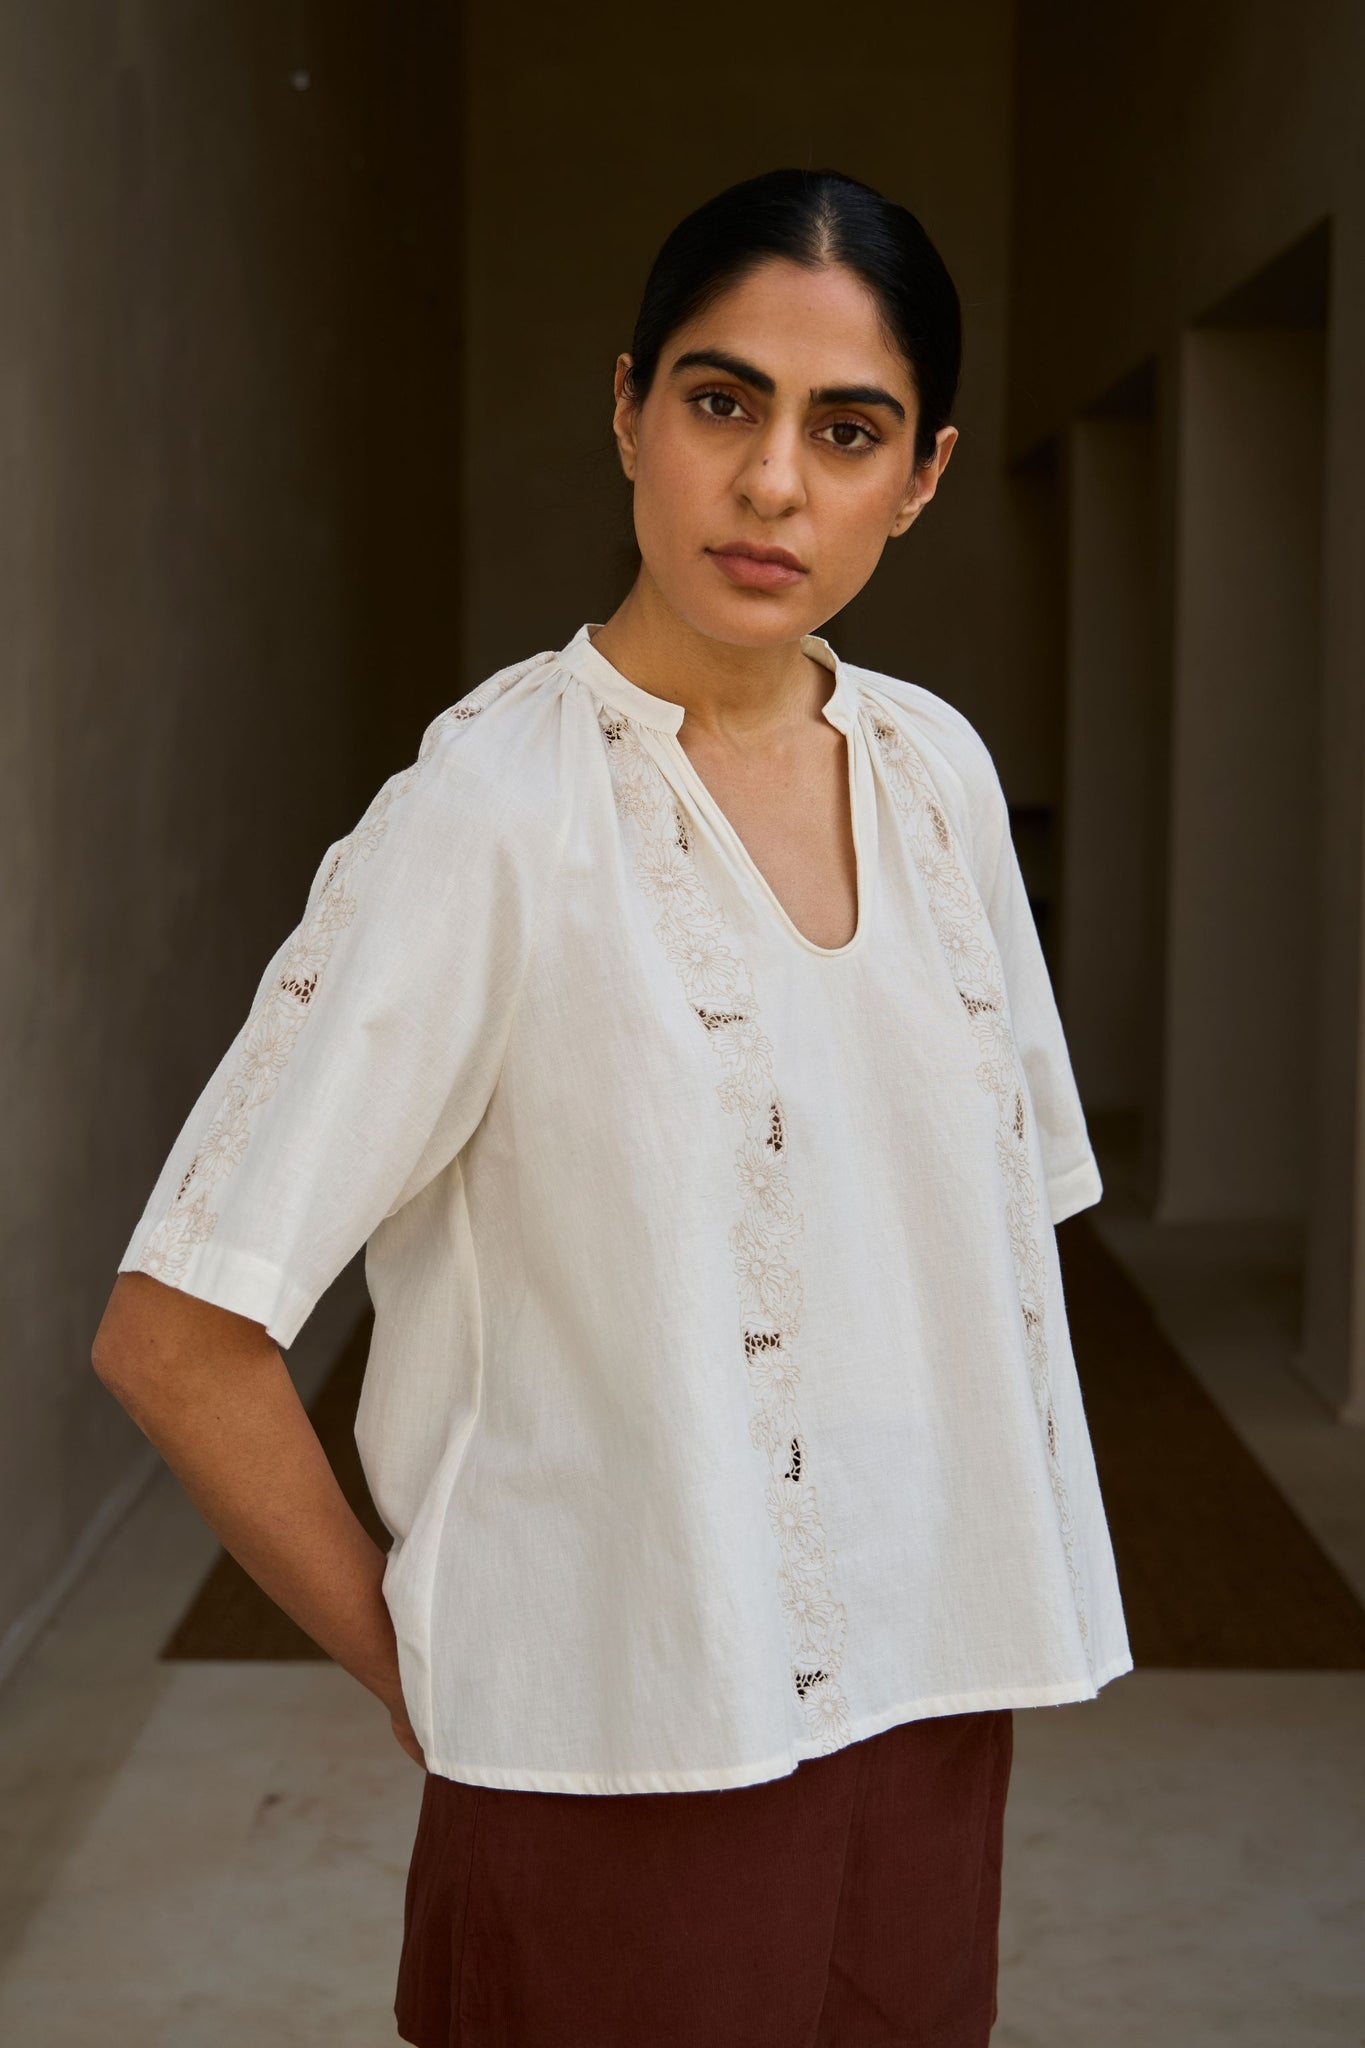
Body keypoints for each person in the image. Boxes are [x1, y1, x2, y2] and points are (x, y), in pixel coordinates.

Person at [92, 165, 1133, 2047]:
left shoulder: (936, 776)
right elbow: (177, 1337)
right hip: (609, 1765)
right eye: (722, 401)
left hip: (931, 1716)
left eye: (847, 430)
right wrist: (428, 1667)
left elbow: (987, 1247)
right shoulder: (489, 817)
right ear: (631, 413)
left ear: (921, 477)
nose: (772, 483)